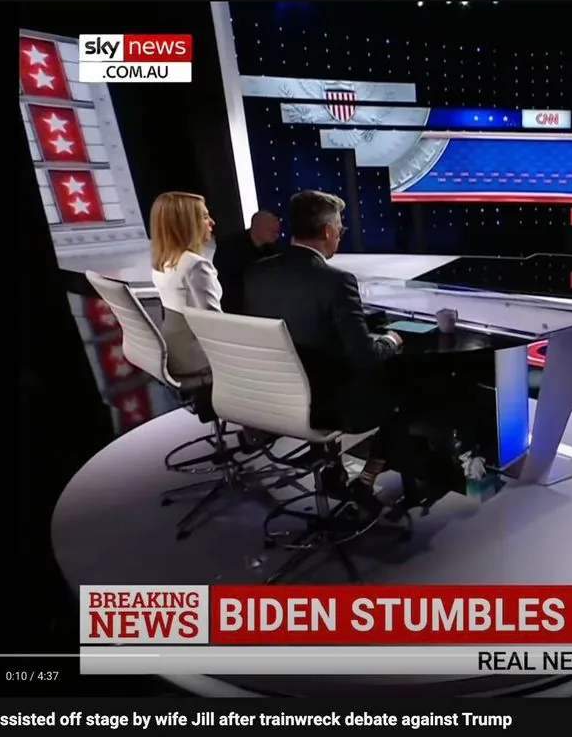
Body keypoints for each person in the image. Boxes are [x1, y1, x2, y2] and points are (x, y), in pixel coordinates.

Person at [243, 191, 415, 514]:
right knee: (403, 388)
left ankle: (334, 472)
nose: (340, 234)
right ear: (326, 231)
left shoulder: (257, 274)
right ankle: (365, 482)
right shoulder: (336, 282)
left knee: (328, 370)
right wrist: (391, 339)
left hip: (274, 398)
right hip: (325, 406)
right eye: (340, 228)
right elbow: (365, 356)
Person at [148, 192, 222, 378]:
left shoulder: (163, 260)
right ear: (187, 224)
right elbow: (215, 324)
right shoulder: (195, 265)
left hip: (172, 353)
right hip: (196, 359)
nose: (212, 222)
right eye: (205, 217)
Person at [214, 209, 284, 315]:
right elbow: (227, 288)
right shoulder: (230, 249)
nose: (277, 236)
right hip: (236, 310)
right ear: (259, 227)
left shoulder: (272, 251)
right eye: (273, 231)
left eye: (277, 232)